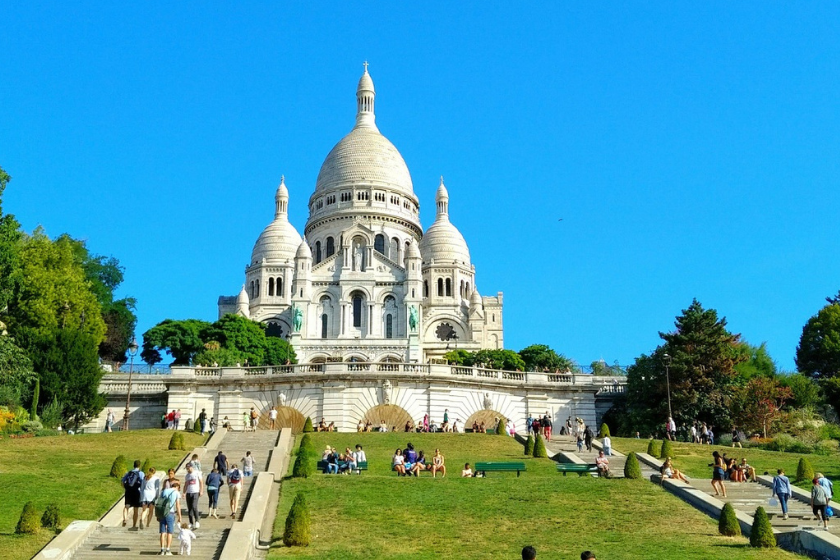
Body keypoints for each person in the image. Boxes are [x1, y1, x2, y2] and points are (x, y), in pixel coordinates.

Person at [158, 480, 182, 556]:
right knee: (170, 532)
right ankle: (168, 550)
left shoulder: (164, 491)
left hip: (162, 513)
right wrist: (179, 516)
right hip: (170, 513)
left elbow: (159, 502)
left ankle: (162, 550)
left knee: (162, 532)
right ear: (177, 487)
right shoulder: (176, 493)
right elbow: (178, 505)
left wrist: (158, 515)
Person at [122, 459, 145, 529]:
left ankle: (125, 518)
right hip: (136, 492)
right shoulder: (141, 473)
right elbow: (142, 483)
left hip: (128, 491)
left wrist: (126, 488)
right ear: (139, 465)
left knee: (126, 506)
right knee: (136, 509)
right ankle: (134, 525)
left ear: (133, 465)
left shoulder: (128, 473)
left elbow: (122, 481)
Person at [183, 463, 202, 529]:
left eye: (188, 468)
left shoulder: (197, 473)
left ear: (191, 467)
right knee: (189, 508)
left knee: (194, 506)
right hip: (189, 492)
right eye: (187, 469)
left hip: (195, 492)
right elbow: (186, 484)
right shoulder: (187, 476)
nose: (188, 470)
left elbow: (201, 482)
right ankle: (191, 522)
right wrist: (184, 492)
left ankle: (197, 521)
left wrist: (201, 490)